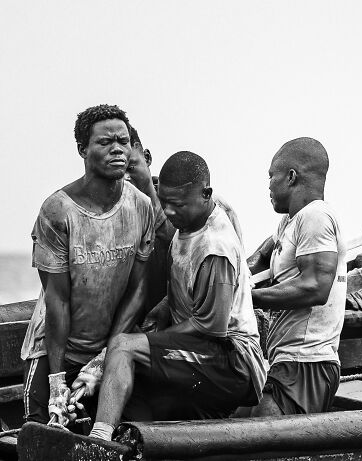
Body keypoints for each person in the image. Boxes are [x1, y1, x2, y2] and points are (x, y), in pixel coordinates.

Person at [88, 151, 265, 440]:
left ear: (206, 194)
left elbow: (212, 326)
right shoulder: (186, 228)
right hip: (203, 352)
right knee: (123, 374)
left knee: (122, 347)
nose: (168, 212)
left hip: (234, 362)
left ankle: (97, 442)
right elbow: (184, 290)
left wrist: (143, 343)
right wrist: (161, 309)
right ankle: (139, 442)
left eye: (178, 204)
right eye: (164, 202)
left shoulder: (215, 246)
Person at [21, 104, 154, 427]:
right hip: (53, 350)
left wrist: (103, 358)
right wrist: (56, 381)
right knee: (40, 433)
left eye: (123, 141)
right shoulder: (57, 211)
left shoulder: (141, 206)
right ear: (83, 149)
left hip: (108, 349)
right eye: (105, 142)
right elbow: (58, 301)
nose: (117, 149)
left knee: (130, 436)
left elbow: (137, 289)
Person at [245, 137, 346, 416]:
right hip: (286, 360)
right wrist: (237, 275)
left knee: (261, 435)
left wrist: (246, 298)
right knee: (239, 421)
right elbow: (265, 253)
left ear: (290, 177)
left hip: (308, 361)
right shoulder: (289, 222)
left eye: (271, 176)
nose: (268, 185)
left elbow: (316, 287)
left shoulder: (316, 217)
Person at [124, 126, 243, 313]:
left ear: (146, 157)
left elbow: (235, 279)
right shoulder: (118, 222)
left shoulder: (210, 212)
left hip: (197, 328)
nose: (125, 178)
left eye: (130, 167)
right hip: (148, 324)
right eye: (115, 174)